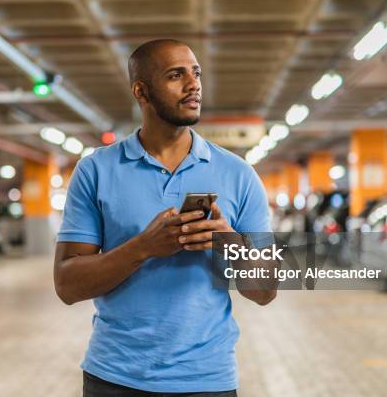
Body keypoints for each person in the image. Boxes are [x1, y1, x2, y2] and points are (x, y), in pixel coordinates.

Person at [54, 39, 276, 397]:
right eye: (176, 75)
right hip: (114, 378)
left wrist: (227, 241)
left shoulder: (238, 173)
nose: (194, 85)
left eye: (196, 73)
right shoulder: (96, 169)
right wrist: (144, 247)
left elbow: (266, 290)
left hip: (207, 381)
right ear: (141, 92)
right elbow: (66, 285)